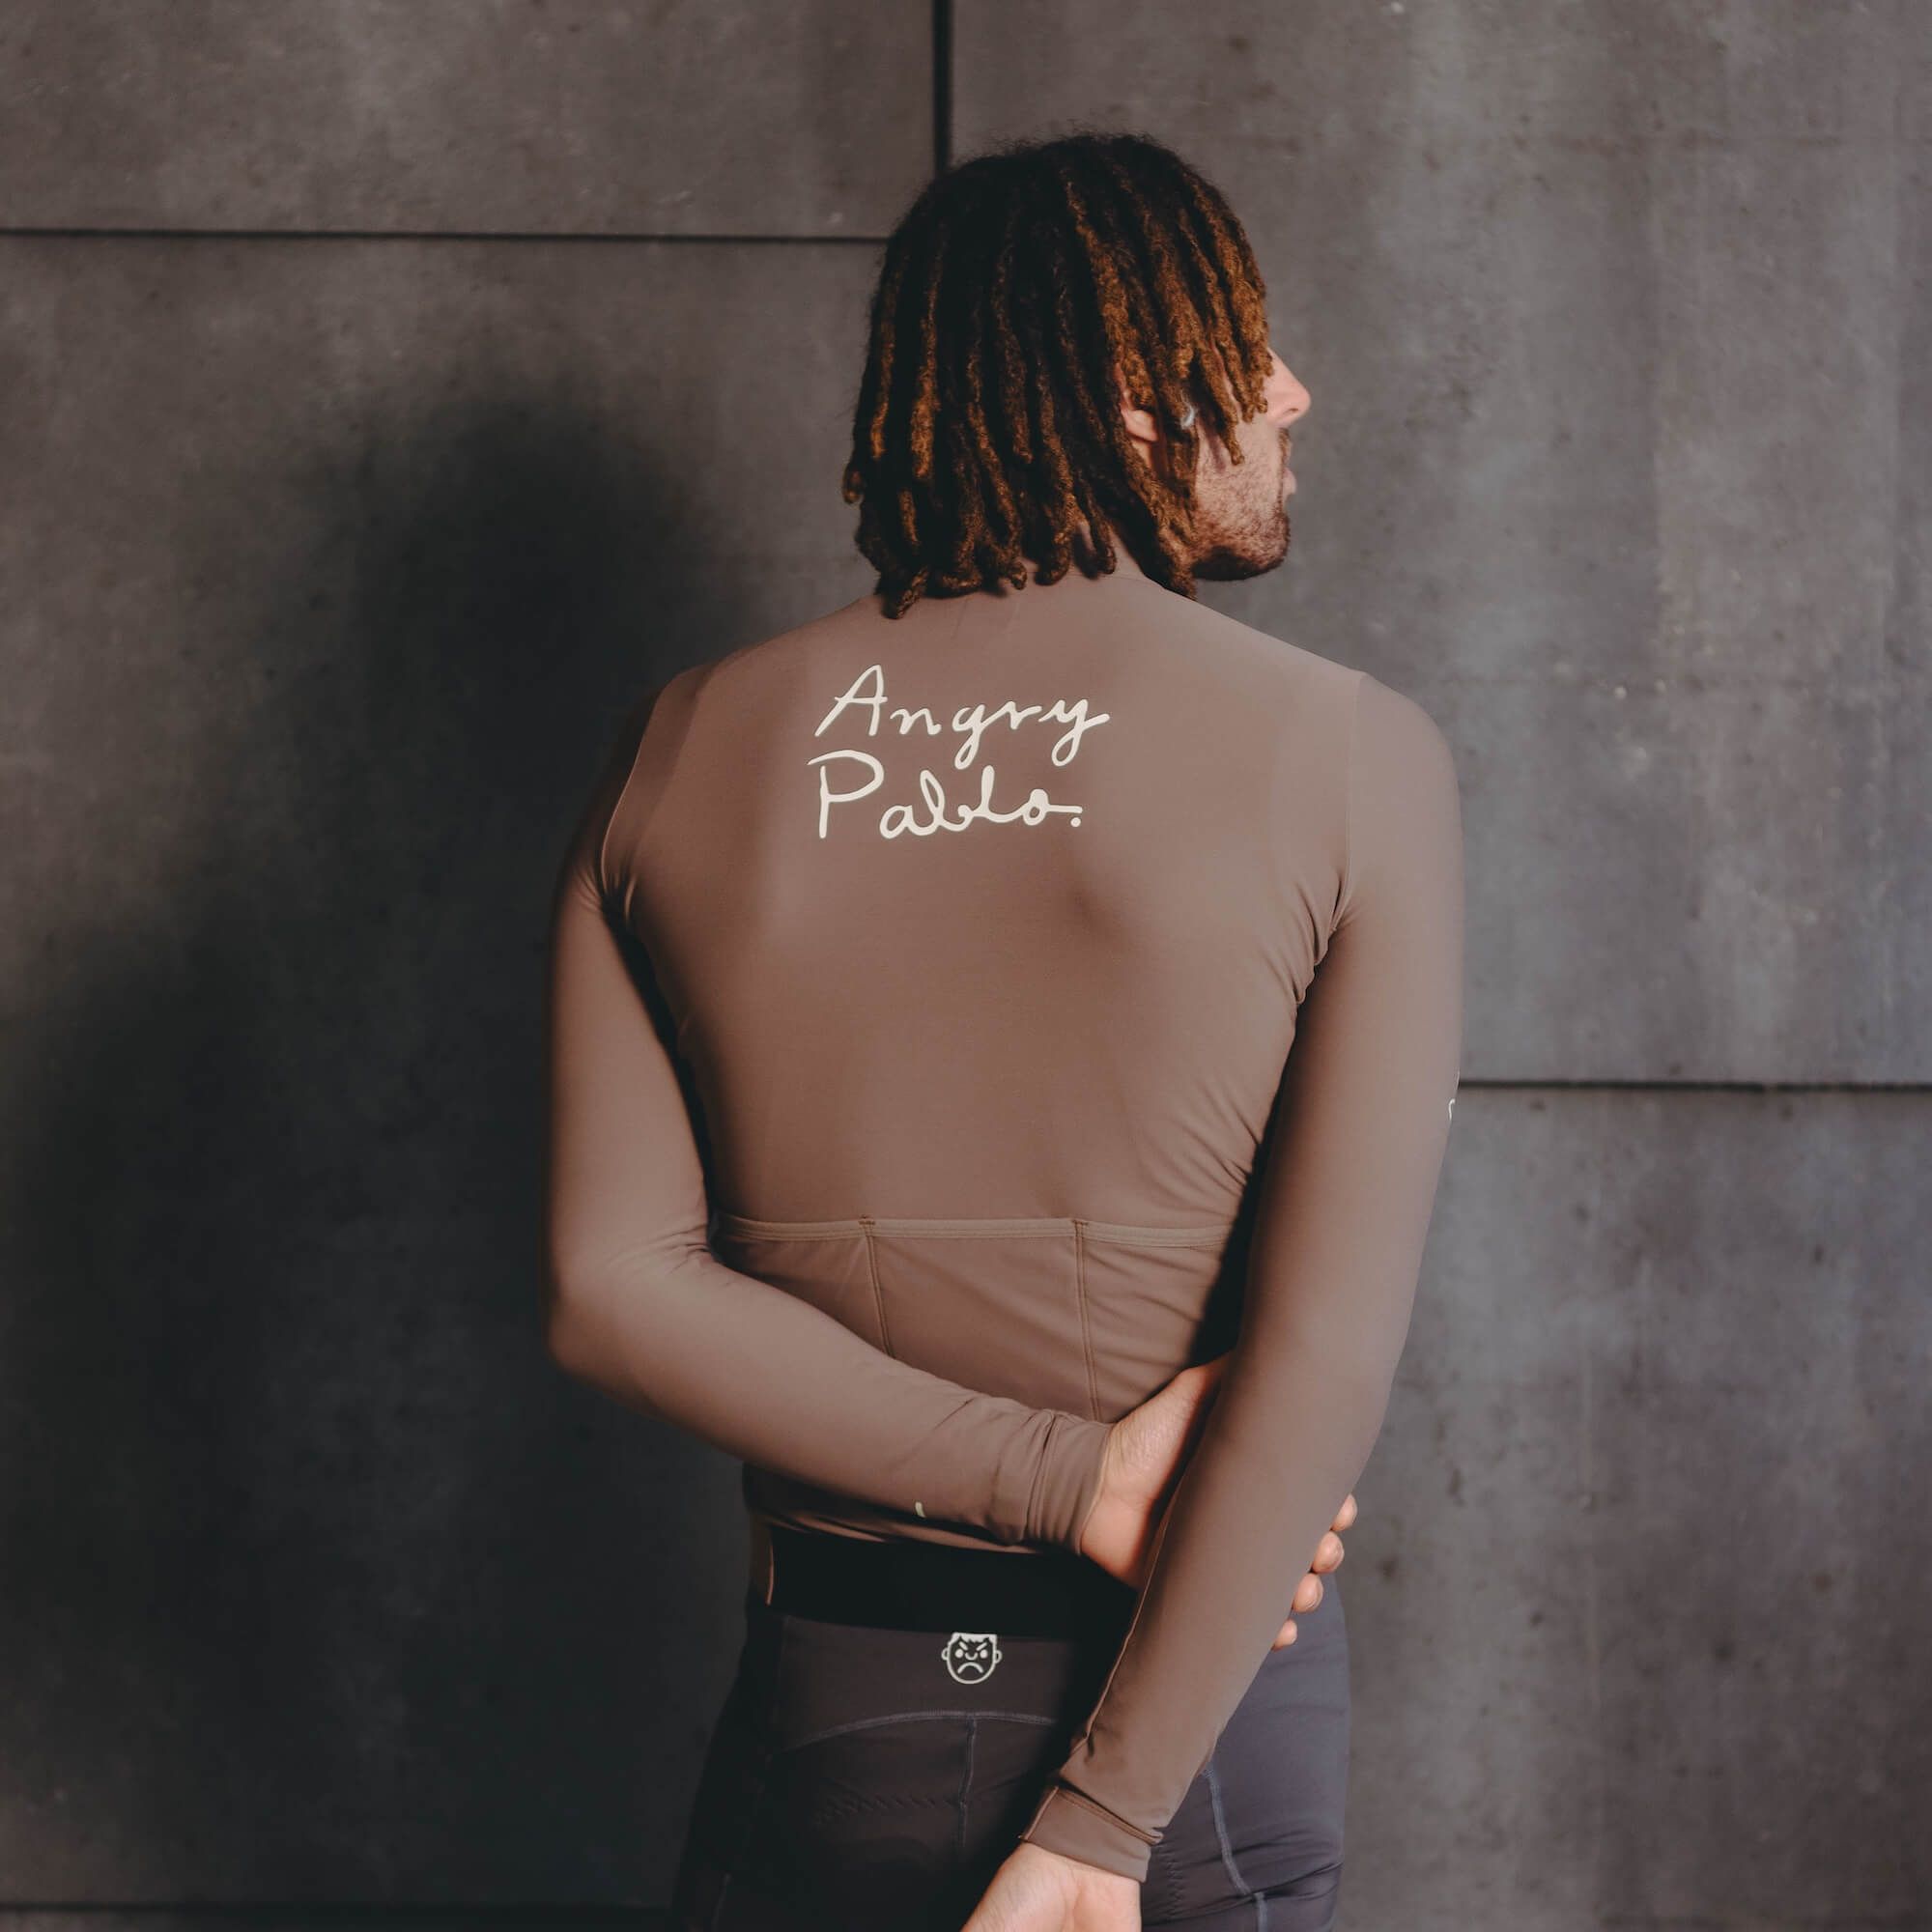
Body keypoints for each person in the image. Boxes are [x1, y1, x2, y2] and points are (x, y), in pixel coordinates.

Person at [542, 129, 1463, 1931]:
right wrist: (1104, 1829)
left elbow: (612, 1287)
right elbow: (1325, 1353)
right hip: (1181, 1741)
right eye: (1242, 339)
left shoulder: (686, 744)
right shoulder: (1353, 754)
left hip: (829, 1714)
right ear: (1133, 389)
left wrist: (1051, 1484)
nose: (1293, 391)